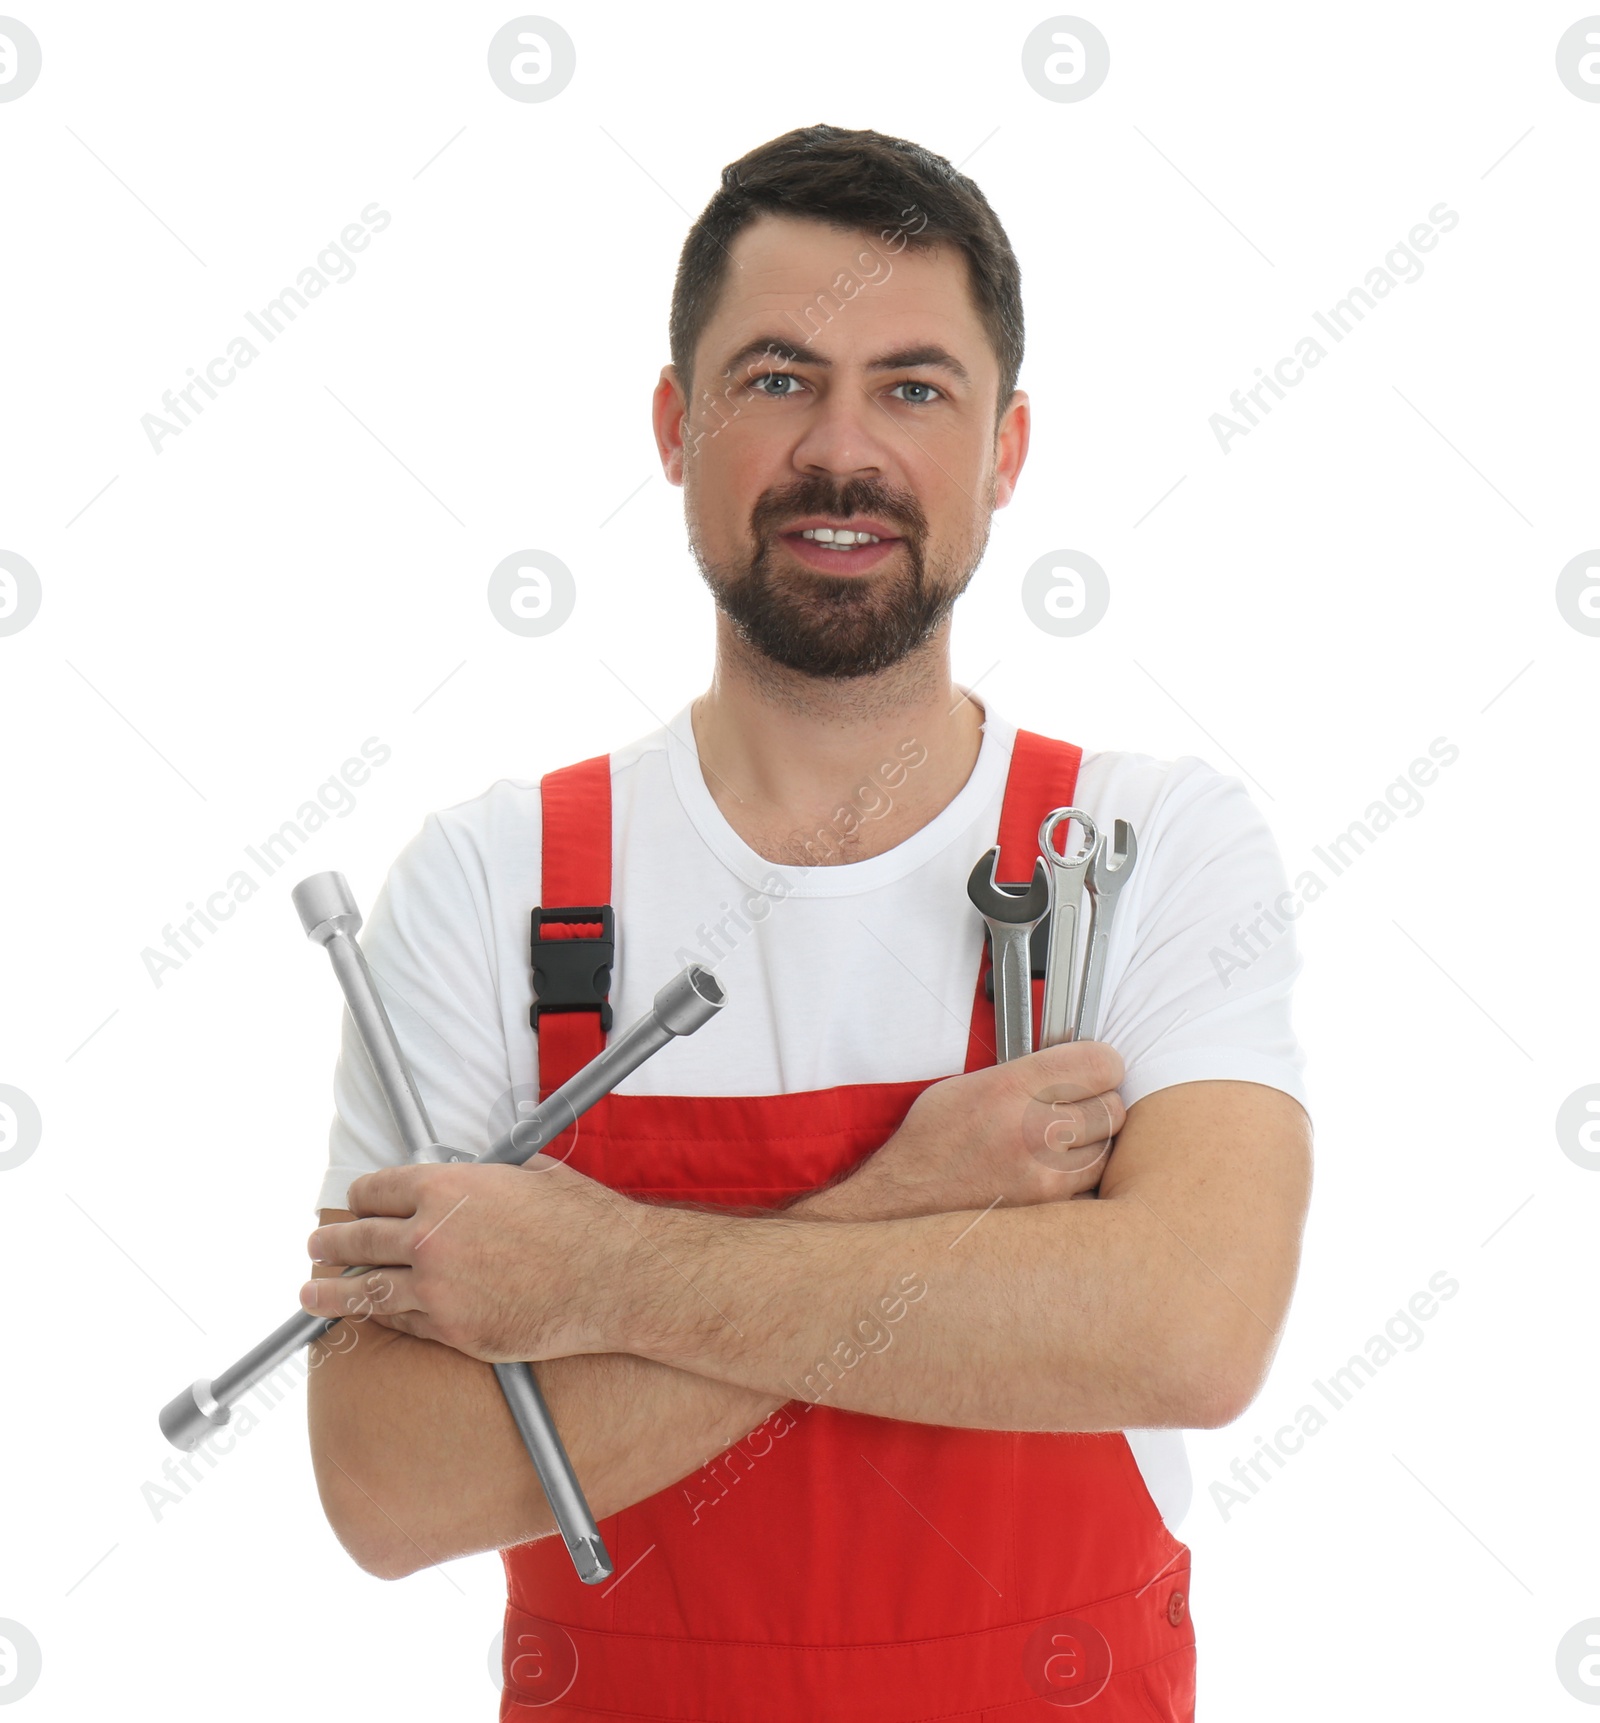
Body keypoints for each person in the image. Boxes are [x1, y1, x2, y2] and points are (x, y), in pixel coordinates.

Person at [299, 122, 1312, 1721]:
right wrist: (913, 1203)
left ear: (1008, 451)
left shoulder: (1149, 843)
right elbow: (387, 1487)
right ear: (673, 425)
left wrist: (584, 1277)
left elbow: (1190, 1330)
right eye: (777, 379)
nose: (844, 451)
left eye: (915, 389)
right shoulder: (495, 882)